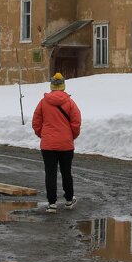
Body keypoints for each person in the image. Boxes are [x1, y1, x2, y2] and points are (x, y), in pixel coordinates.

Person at [32, 72, 81, 213]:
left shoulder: (43, 103)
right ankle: (69, 200)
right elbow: (76, 123)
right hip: (66, 144)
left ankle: (52, 203)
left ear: (52, 86)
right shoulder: (70, 103)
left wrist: (44, 135)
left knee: (50, 173)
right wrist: (71, 136)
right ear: (63, 86)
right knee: (66, 172)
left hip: (48, 145)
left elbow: (36, 122)